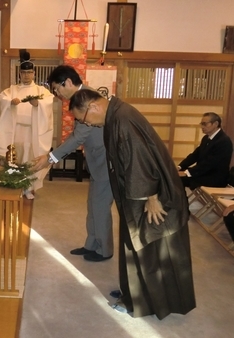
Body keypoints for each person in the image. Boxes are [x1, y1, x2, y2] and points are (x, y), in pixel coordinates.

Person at [68, 88, 196, 319]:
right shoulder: (117, 114)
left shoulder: (122, 120)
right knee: (132, 245)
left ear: (93, 107)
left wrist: (152, 196)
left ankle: (142, 302)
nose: (89, 124)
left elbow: (141, 159)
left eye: (83, 119)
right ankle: (131, 292)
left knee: (145, 248)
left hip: (147, 196)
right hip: (136, 193)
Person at [32, 65, 114, 262]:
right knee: (93, 205)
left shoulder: (89, 99)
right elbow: (77, 135)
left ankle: (104, 250)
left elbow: (78, 137)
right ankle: (92, 244)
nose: (57, 94)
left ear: (67, 82)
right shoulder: (82, 97)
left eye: (57, 89)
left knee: (101, 207)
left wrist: (51, 158)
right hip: (96, 160)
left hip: (106, 162)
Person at [0, 49, 54, 199]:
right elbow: (2, 99)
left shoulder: (41, 91)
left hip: (32, 131)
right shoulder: (12, 90)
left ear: (34, 74)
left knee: (29, 159)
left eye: (29, 73)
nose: (26, 76)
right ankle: (15, 186)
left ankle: (28, 188)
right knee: (16, 159)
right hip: (16, 131)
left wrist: (38, 104)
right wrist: (10, 103)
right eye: (23, 73)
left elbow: (48, 102)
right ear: (19, 74)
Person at [178, 112, 232, 190]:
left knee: (177, 179)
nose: (202, 127)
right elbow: (195, 155)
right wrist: (180, 167)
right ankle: (181, 200)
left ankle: (181, 201)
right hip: (204, 173)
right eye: (201, 124)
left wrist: (187, 172)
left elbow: (209, 163)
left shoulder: (223, 141)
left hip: (214, 178)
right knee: (175, 176)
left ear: (215, 124)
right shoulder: (206, 138)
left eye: (205, 124)